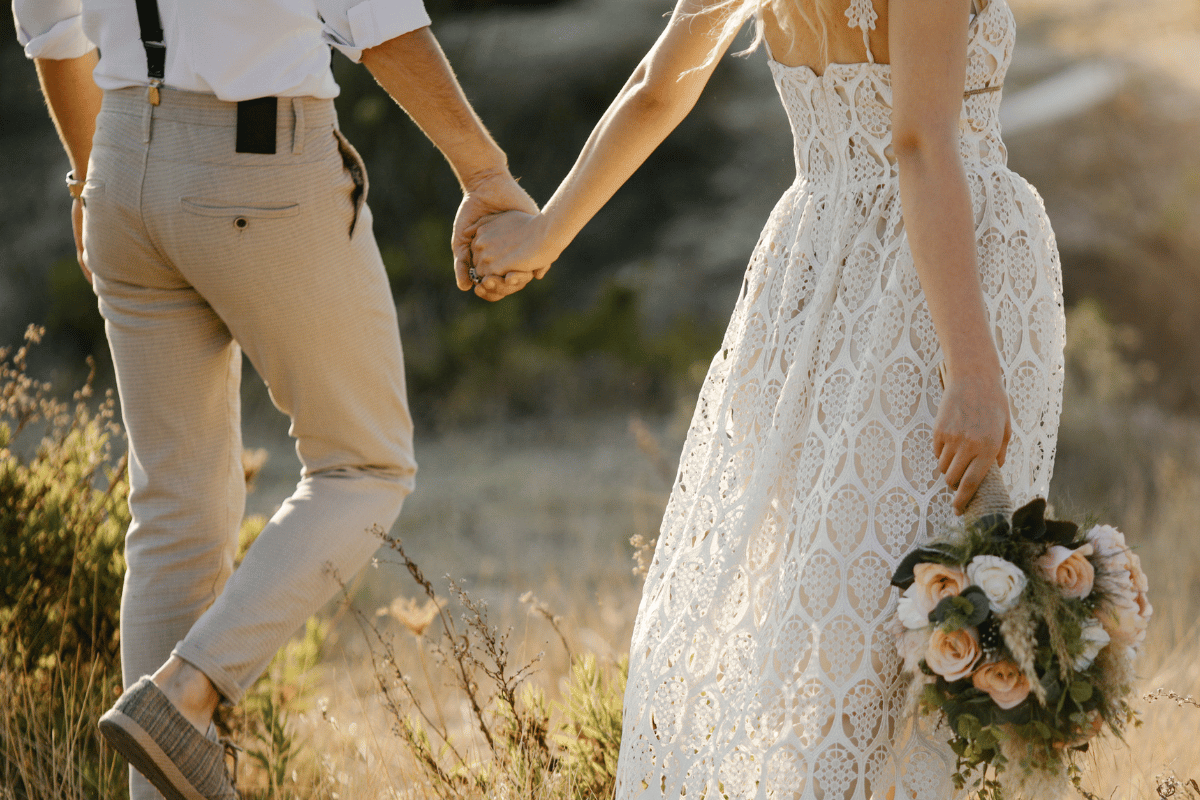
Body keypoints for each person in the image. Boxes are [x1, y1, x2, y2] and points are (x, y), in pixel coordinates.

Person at [468, 0, 1065, 796]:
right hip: (938, 292)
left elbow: (658, 87)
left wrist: (545, 234)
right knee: (928, 617)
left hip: (812, 275)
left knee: (856, 624)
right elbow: (920, 144)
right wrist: (972, 365)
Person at [13, 1, 536, 798]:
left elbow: (50, 23)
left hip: (118, 154)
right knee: (363, 466)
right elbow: (376, 15)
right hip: (258, 158)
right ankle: (184, 694)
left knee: (173, 514)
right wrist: (486, 172)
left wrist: (93, 175)